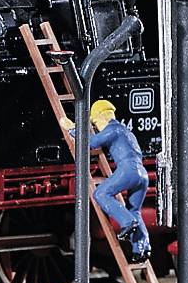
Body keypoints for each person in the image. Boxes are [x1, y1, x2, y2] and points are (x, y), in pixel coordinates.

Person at [60, 99, 151, 259]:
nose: (96, 127)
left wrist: (72, 129)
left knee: (100, 194)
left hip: (128, 169)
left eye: (95, 123)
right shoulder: (126, 131)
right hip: (142, 174)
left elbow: (92, 142)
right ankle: (142, 248)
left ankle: (128, 223)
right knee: (134, 210)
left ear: (102, 117)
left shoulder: (112, 130)